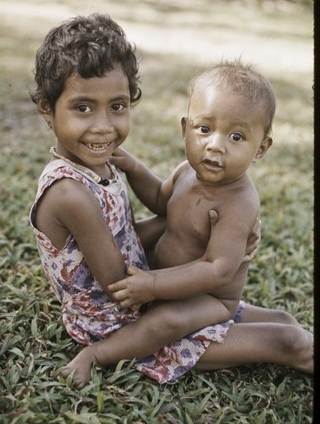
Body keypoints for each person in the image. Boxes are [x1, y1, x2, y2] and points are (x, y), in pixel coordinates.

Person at [29, 13, 313, 389]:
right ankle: (97, 356)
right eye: (83, 108)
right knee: (288, 340)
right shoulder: (70, 192)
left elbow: (153, 224)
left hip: (171, 295)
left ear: (261, 148)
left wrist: (211, 229)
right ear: (47, 107)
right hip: (128, 319)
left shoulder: (99, 167)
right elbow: (123, 277)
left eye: (117, 106)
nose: (103, 125)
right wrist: (194, 229)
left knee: (284, 318)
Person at [108, 61, 272, 324]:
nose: (216, 145)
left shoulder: (240, 202)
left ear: (261, 149)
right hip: (166, 282)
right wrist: (134, 169)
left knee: (163, 321)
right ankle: (278, 320)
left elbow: (216, 270)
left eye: (237, 137)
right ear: (185, 129)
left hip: (207, 298)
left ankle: (98, 355)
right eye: (204, 129)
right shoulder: (186, 171)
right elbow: (161, 202)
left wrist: (152, 285)